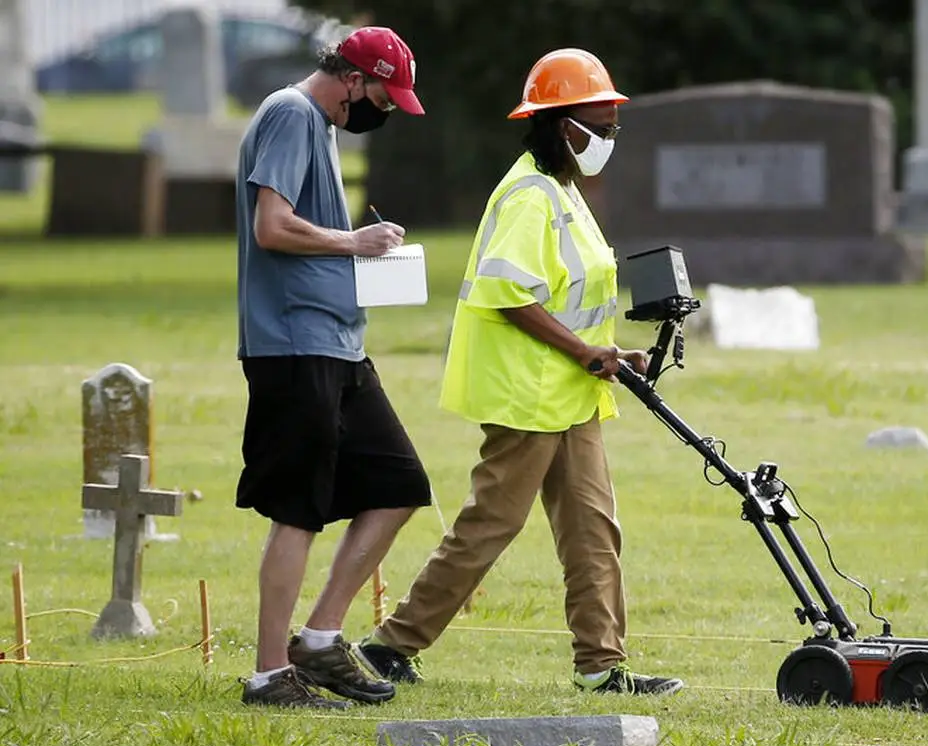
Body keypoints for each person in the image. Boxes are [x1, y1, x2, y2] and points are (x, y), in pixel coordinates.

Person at [357, 48, 684, 696]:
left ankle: (601, 665)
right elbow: (510, 295)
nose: (609, 138)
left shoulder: (562, 189)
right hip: (528, 395)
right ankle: (390, 646)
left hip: (573, 390)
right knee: (492, 523)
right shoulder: (529, 196)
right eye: (601, 125)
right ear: (565, 125)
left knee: (593, 527)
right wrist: (582, 353)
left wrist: (611, 352)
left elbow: (570, 295)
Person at [234, 26, 432, 710]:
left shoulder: (317, 124)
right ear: (354, 79)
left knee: (399, 482)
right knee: (299, 508)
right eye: (382, 94)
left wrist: (364, 257)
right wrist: (355, 241)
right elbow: (272, 226)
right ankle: (268, 676)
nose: (383, 110)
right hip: (293, 344)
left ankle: (318, 640)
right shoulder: (291, 113)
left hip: (338, 344)